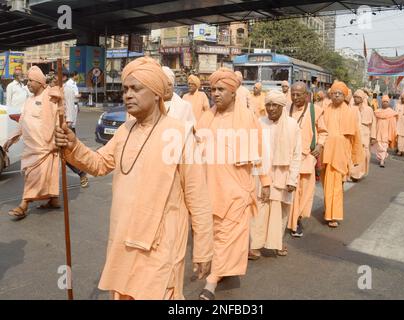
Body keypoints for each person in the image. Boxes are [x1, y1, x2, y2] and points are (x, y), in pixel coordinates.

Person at [54, 57, 214, 300]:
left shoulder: (180, 134)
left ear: (157, 93)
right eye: (125, 89)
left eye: (136, 89)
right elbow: (98, 164)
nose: (128, 95)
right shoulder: (125, 130)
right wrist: (73, 144)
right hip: (123, 238)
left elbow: (198, 196)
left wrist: (203, 249)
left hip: (161, 244)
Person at [195, 67, 262, 300]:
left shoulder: (249, 119)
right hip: (209, 189)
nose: (215, 93)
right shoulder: (206, 118)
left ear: (233, 92)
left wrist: (261, 185)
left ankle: (211, 283)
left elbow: (259, 157)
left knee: (227, 235)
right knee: (213, 235)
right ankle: (221, 269)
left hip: (236, 190)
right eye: (212, 89)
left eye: (221, 89)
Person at [3, 66, 61, 219]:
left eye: (31, 80)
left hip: (45, 147)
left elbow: (58, 120)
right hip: (31, 148)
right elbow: (22, 123)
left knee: (32, 176)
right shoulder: (29, 101)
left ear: (40, 83)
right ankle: (53, 199)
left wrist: (57, 141)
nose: (28, 83)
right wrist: (11, 139)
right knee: (40, 176)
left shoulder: (50, 97)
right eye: (27, 80)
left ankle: (24, 204)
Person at [249, 90, 301, 258]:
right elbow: (253, 151)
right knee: (260, 210)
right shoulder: (259, 122)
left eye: (274, 105)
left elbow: (296, 154)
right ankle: (255, 246)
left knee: (280, 212)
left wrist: (293, 179)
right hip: (261, 174)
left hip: (283, 175)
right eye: (268, 105)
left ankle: (277, 243)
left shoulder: (292, 125)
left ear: (282, 107)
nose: (271, 108)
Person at [321, 81, 363, 228]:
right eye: (334, 93)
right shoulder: (325, 109)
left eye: (340, 93)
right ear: (330, 95)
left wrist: (356, 158)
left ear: (345, 96)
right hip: (325, 152)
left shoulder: (350, 112)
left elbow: (356, 137)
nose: (336, 96)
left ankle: (334, 215)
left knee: (337, 186)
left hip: (340, 154)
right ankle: (328, 209)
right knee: (326, 183)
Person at [287, 82, 327, 237]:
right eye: (293, 94)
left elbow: (323, 132)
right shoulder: (285, 109)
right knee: (293, 191)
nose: (295, 97)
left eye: (299, 94)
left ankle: (297, 217)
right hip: (290, 158)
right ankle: (294, 223)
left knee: (306, 192)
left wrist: (320, 145)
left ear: (306, 95)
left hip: (307, 157)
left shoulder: (315, 111)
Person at [56, 70, 89, 188]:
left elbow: (70, 106)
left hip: (66, 126)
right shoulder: (54, 88)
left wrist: (69, 124)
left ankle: (81, 172)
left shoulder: (68, 88)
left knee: (66, 153)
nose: (53, 77)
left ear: (63, 77)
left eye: (56, 75)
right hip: (54, 126)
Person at [350, 89, 376, 180]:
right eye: (355, 97)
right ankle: (354, 174)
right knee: (353, 153)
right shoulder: (350, 108)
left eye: (358, 97)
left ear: (362, 98)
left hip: (365, 135)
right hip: (353, 135)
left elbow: (373, 124)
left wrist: (373, 137)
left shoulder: (369, 109)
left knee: (364, 155)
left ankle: (359, 173)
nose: (356, 99)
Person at [373, 95, 398, 168]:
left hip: (387, 133)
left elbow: (393, 125)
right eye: (383, 102)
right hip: (378, 131)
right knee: (378, 146)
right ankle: (381, 157)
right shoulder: (377, 112)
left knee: (384, 146)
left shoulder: (391, 113)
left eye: (386, 102)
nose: (385, 103)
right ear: (381, 102)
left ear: (389, 103)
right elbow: (374, 122)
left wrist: (393, 133)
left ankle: (382, 160)